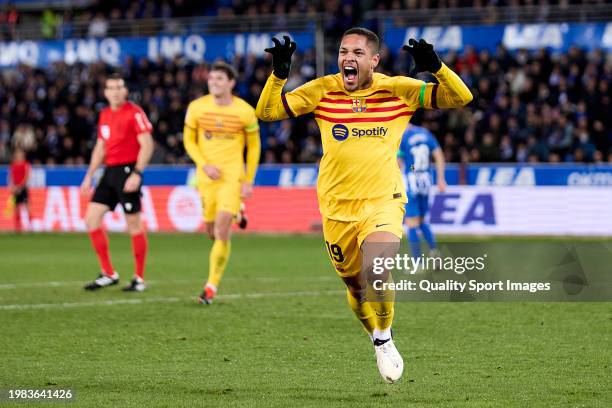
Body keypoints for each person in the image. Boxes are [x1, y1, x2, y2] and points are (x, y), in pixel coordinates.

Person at [256, 29, 472, 383]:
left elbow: (461, 97)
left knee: (377, 272)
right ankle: (375, 336)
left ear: (374, 60)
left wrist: (437, 67)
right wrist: (279, 74)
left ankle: (385, 337)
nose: (347, 58)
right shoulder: (323, 89)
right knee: (356, 289)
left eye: (357, 52)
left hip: (383, 201)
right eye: (343, 51)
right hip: (336, 208)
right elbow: (267, 112)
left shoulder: (398, 90)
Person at [183, 61, 261, 305]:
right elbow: (189, 141)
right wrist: (203, 164)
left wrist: (248, 180)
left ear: (231, 83)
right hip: (206, 177)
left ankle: (210, 286)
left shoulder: (245, 111)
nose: (213, 83)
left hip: (232, 176)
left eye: (219, 79)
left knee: (222, 227)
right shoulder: (196, 108)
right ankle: (239, 212)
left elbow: (254, 146)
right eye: (211, 79)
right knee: (211, 231)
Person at [81, 73, 154, 292]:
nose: (115, 91)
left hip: (128, 170)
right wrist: (89, 176)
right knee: (91, 219)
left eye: (119, 87)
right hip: (109, 172)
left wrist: (137, 173)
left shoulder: (134, 112)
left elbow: (147, 144)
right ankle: (108, 273)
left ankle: (139, 278)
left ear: (125, 90)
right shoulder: (104, 114)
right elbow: (100, 148)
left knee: (133, 224)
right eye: (110, 87)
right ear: (105, 92)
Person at [398, 124, 446, 259]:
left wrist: (411, 168)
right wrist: (441, 179)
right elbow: (439, 156)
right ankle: (434, 251)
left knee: (411, 223)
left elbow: (400, 162)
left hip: (412, 181)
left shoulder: (403, 136)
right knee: (422, 220)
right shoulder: (426, 133)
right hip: (426, 181)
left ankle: (417, 262)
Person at [8, 148, 30, 232]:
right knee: (16, 208)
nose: (18, 156)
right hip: (16, 189)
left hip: (23, 189)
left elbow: (27, 176)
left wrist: (20, 186)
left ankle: (29, 225)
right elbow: (11, 176)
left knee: (26, 206)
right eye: (17, 154)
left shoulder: (25, 164)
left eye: (20, 154)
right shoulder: (13, 165)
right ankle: (17, 227)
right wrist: (12, 186)